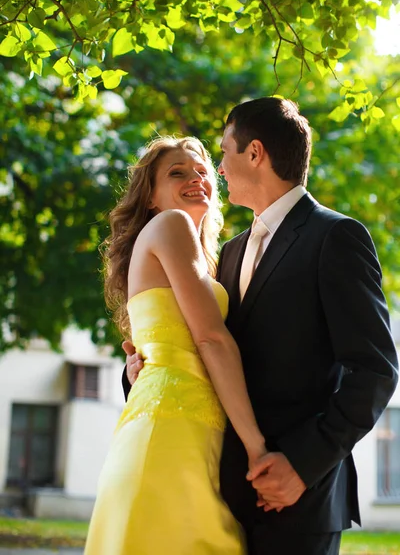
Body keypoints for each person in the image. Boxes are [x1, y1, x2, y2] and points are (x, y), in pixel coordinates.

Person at [123, 97, 399, 555]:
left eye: (225, 152)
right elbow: (202, 345)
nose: (220, 169)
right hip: (220, 494)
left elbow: (374, 371)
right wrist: (137, 372)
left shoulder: (336, 237)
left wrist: (303, 466)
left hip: (299, 502)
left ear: (254, 153)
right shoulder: (226, 253)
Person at [84, 136, 270, 555]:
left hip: (186, 426)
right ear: (150, 196)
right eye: (177, 173)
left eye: (203, 171)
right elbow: (210, 338)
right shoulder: (171, 225)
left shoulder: (207, 259)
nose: (196, 179)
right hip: (172, 430)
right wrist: (258, 447)